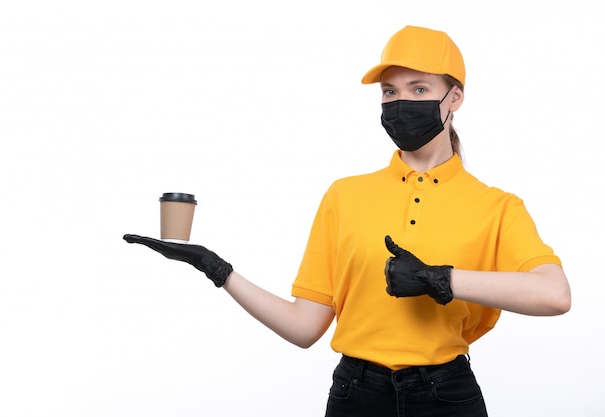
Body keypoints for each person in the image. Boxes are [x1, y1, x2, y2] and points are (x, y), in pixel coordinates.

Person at [123, 25, 571, 417]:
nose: (399, 103)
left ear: (455, 97)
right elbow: (304, 328)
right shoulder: (345, 195)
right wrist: (217, 269)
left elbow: (554, 294)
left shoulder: (496, 206)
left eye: (418, 89)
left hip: (447, 396)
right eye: (390, 92)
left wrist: (441, 278)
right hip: (356, 396)